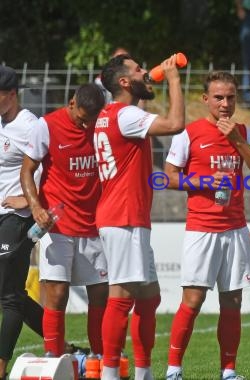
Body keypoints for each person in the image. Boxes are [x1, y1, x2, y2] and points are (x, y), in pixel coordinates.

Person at [163, 71, 250, 380]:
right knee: (193, 301)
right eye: (219, 98)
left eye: (231, 97)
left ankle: (229, 371)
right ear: (206, 99)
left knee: (232, 301)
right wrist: (202, 181)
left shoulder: (244, 132)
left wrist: (236, 139)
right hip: (202, 228)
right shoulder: (189, 133)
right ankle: (173, 370)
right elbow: (167, 176)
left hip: (235, 227)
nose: (225, 104)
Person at [95, 53, 185, 380]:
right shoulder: (126, 114)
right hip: (124, 217)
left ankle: (144, 372)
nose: (146, 72)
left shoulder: (108, 114)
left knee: (149, 297)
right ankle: (108, 374)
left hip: (124, 216)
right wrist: (174, 78)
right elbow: (175, 124)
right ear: (123, 82)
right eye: (137, 70)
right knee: (121, 298)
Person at [20, 83, 108, 358]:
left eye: (90, 121)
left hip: (95, 226)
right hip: (58, 226)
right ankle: (53, 356)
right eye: (81, 118)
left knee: (100, 296)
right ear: (71, 103)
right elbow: (27, 169)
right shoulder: (46, 126)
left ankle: (101, 359)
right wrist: (36, 207)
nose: (85, 126)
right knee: (57, 294)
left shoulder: (103, 127)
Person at [0, 65, 44, 379]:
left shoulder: (31, 126)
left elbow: (50, 168)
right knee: (10, 292)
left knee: (9, 295)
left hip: (17, 219)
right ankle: (60, 342)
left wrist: (27, 200)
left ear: (11, 95)